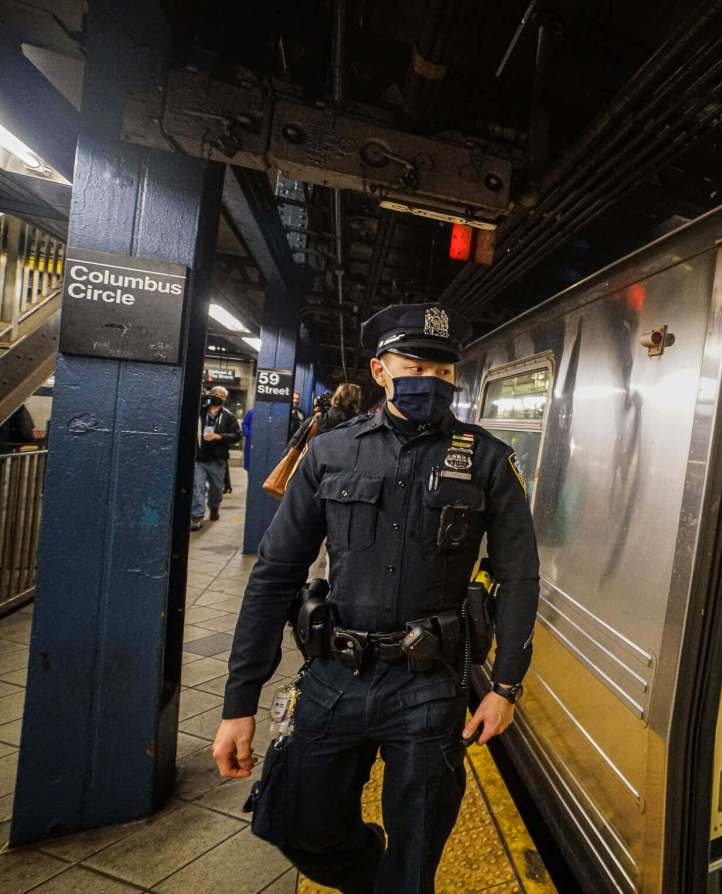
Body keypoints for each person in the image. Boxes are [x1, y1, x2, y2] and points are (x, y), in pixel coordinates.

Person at [212, 302, 540, 894]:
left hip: (431, 684)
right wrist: (240, 701)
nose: (430, 381)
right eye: (415, 364)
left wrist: (506, 686)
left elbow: (520, 577)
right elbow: (276, 575)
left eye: (443, 372)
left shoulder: (488, 459)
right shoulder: (331, 452)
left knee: (416, 857)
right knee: (295, 825)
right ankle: (369, 873)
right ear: (380, 369)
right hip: (336, 674)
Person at [191, 386, 241, 531]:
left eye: (221, 396)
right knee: (197, 488)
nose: (218, 397)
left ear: (225, 399)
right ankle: (197, 517)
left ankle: (214, 507)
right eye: (215, 394)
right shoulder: (200, 412)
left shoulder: (229, 416)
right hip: (199, 458)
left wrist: (219, 436)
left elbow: (237, 436)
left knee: (216, 489)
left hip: (217, 460)